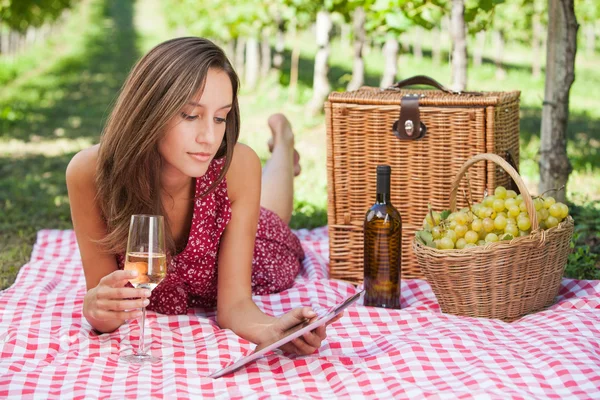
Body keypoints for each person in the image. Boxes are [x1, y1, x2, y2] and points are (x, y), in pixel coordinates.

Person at [66, 37, 338, 355]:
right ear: (148, 111)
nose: (209, 137)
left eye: (220, 117)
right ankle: (284, 153)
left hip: (254, 244)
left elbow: (235, 306)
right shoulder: (90, 173)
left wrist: (271, 330)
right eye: (191, 115)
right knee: (264, 205)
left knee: (273, 218)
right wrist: (97, 309)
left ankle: (283, 143)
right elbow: (105, 303)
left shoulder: (236, 165)